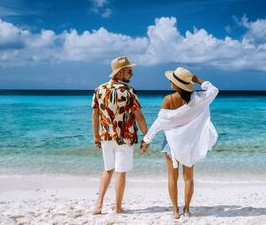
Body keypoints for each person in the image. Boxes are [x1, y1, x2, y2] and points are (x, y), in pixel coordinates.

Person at [141, 67, 219, 219]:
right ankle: (187, 210)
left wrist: (147, 139)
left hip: (171, 143)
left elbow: (159, 123)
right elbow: (214, 90)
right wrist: (199, 80)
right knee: (188, 177)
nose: (170, 81)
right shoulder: (199, 98)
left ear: (177, 85)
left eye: (173, 80)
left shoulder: (169, 100)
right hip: (189, 142)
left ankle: (176, 210)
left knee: (172, 177)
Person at [92, 56, 148, 214]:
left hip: (105, 137)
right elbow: (139, 117)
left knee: (108, 169)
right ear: (121, 72)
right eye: (130, 71)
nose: (132, 74)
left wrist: (96, 136)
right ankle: (118, 207)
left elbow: (95, 115)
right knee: (121, 172)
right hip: (125, 137)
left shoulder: (99, 89)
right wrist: (146, 137)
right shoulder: (129, 91)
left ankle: (99, 205)